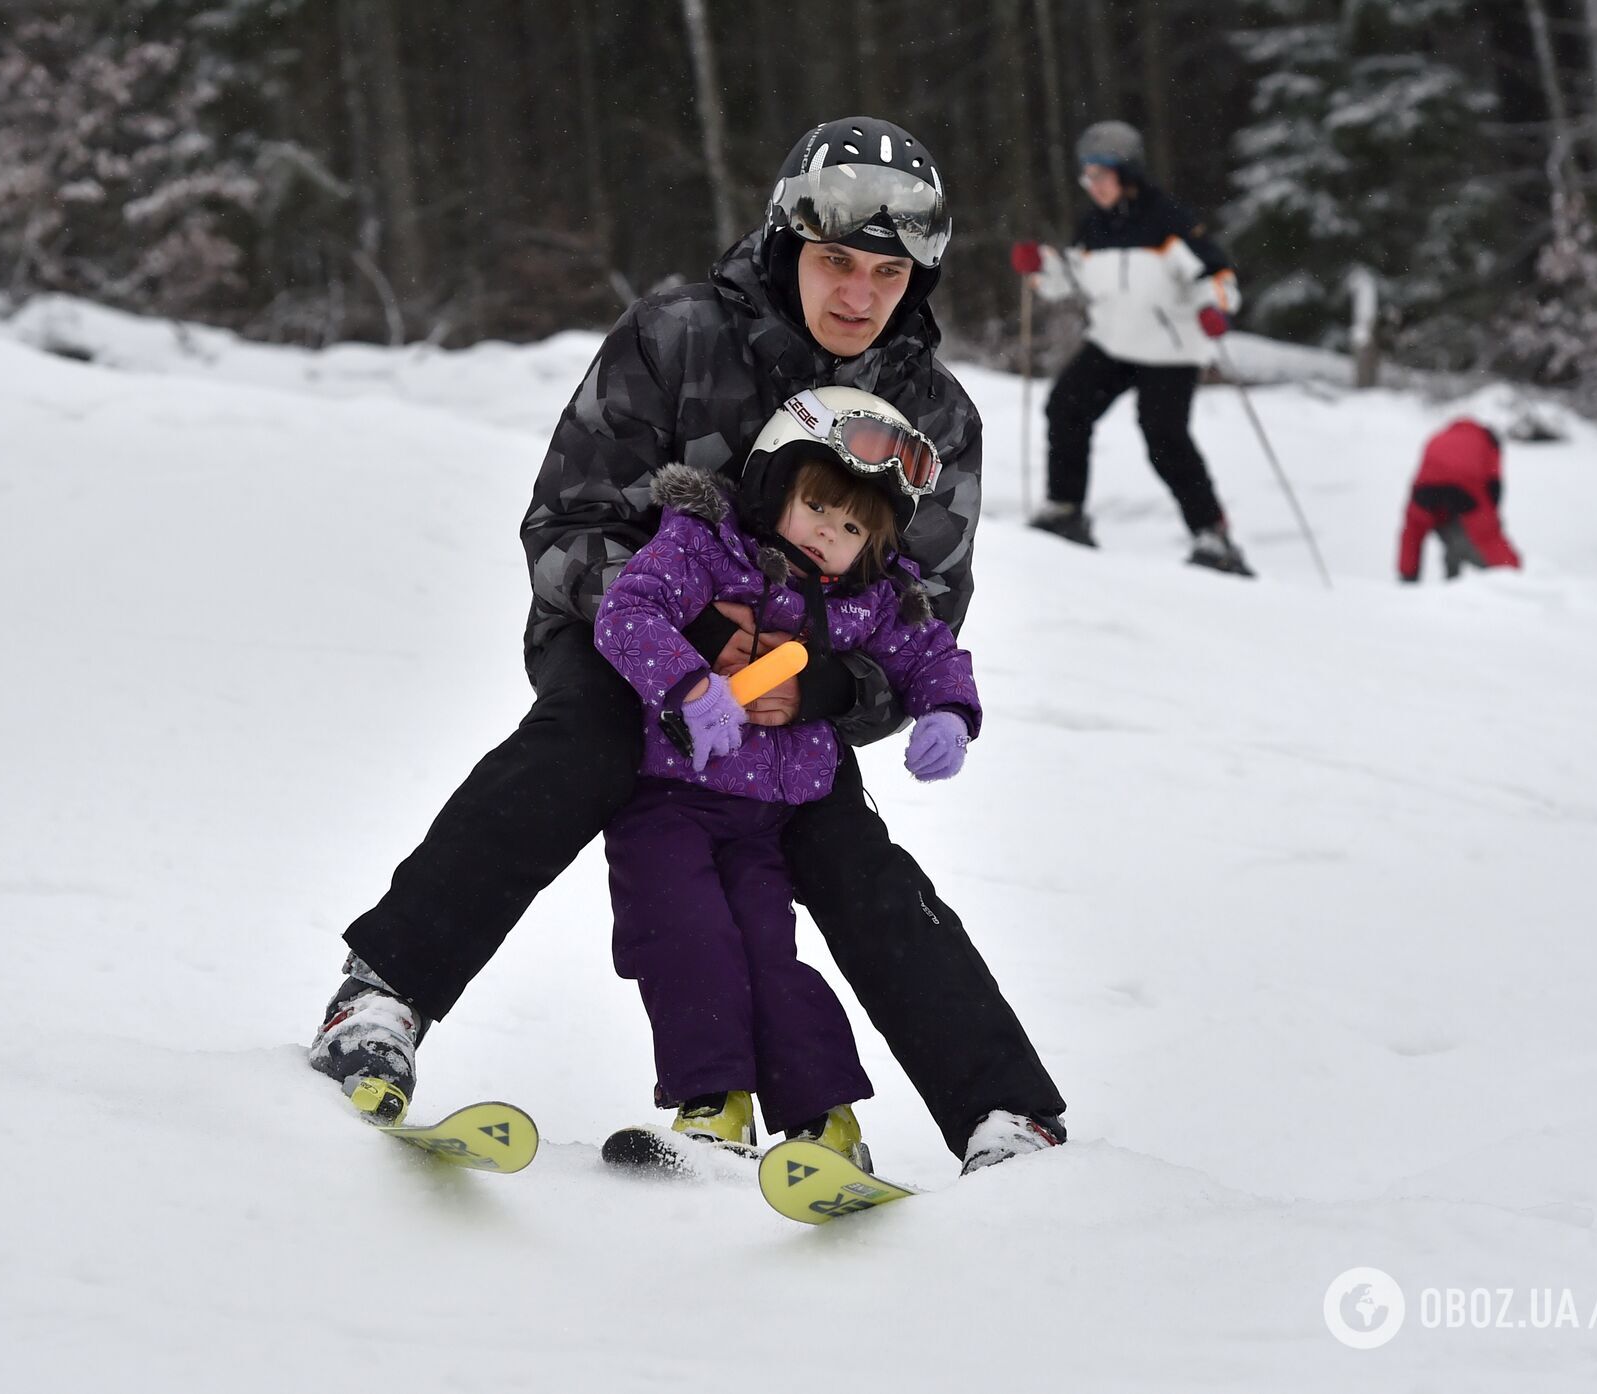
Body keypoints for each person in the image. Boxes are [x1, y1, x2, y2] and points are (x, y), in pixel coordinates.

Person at [309, 116, 1066, 1174]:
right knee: (578, 749)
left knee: (845, 850)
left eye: (886, 272)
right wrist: (693, 638)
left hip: (789, 692)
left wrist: (825, 692)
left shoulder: (930, 417)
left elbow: (924, 619)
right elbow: (563, 526)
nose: (857, 293)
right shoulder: (676, 337)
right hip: (627, 641)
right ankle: (379, 998)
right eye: (836, 261)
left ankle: (1006, 1114)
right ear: (785, 244)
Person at [597, 386, 982, 1173]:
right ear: (776, 482)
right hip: (668, 801)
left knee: (771, 960)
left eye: (850, 530)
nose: (827, 536)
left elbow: (928, 652)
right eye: (817, 508)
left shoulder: (868, 597)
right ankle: (715, 1105)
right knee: (687, 939)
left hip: (766, 821)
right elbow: (626, 612)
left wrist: (947, 712)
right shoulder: (703, 548)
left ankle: (824, 1122)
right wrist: (688, 685)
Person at [1011, 119, 1253, 577]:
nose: (1093, 184)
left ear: (1128, 174)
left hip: (1171, 349)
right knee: (1067, 407)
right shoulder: (1092, 228)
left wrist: (1215, 308)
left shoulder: (1169, 222)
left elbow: (1217, 277)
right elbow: (1067, 282)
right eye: (1087, 175)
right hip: (1114, 343)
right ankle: (1065, 511)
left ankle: (1213, 537)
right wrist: (1040, 267)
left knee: (1163, 435)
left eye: (1101, 174)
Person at [1397, 418, 1522, 583]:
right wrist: (1491, 517)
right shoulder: (1488, 441)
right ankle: (1515, 581)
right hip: (1466, 492)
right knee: (1487, 538)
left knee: (1413, 531)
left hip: (1424, 492)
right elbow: (1494, 484)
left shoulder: (1437, 436)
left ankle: (1408, 583)